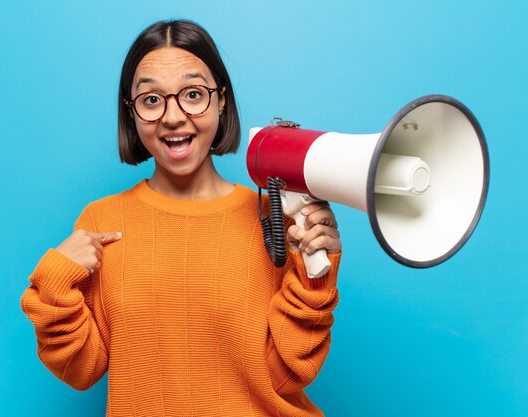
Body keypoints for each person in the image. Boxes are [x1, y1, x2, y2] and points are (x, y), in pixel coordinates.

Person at [20, 19, 342, 417]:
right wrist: (56, 278)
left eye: (193, 94)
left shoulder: (275, 222)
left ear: (221, 100)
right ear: (131, 112)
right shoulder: (102, 219)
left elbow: (284, 376)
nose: (173, 117)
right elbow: (82, 369)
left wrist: (316, 275)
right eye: (152, 100)